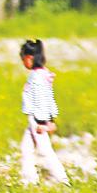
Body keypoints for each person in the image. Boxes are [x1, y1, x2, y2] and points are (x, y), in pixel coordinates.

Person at [18, 39, 69, 185]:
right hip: (35, 119)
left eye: (23, 59)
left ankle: (63, 180)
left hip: (36, 120)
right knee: (26, 149)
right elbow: (49, 98)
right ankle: (29, 181)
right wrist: (51, 119)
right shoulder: (42, 75)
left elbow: (41, 100)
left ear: (29, 58)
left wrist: (43, 122)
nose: (23, 63)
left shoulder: (37, 78)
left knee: (45, 151)